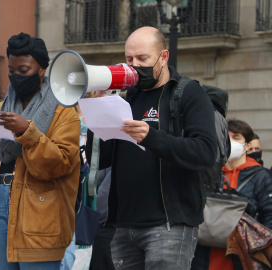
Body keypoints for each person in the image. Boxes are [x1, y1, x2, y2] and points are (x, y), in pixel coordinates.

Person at [86, 26, 217, 269]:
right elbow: (101, 160)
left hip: (168, 226)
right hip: (125, 225)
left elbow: (206, 151)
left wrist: (151, 137)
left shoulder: (187, 94)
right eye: (129, 59)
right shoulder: (126, 98)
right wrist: (98, 114)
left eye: (142, 58)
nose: (135, 65)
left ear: (163, 56)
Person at [0, 32, 80, 270]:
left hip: (40, 215)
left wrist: (28, 133)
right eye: (11, 71)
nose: (16, 77)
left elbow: (60, 165)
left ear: (42, 69)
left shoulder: (64, 112)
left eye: (23, 71)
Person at [192, 119, 272, 269]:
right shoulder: (209, 172)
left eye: (236, 137)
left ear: (247, 145)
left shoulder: (260, 176)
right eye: (226, 137)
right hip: (204, 253)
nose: (230, 141)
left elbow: (268, 214)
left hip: (242, 253)